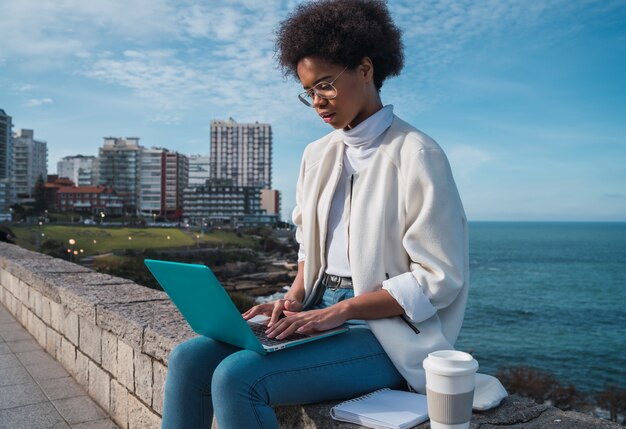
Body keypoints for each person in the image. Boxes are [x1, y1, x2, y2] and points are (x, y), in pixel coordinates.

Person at [161, 1, 468, 428]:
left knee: (238, 377)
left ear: (365, 69)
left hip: (384, 332)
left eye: (325, 85)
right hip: (317, 308)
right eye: (309, 91)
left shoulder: (416, 153)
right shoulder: (317, 155)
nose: (317, 103)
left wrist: (340, 311)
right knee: (189, 357)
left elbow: (440, 278)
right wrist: (290, 302)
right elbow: (310, 248)